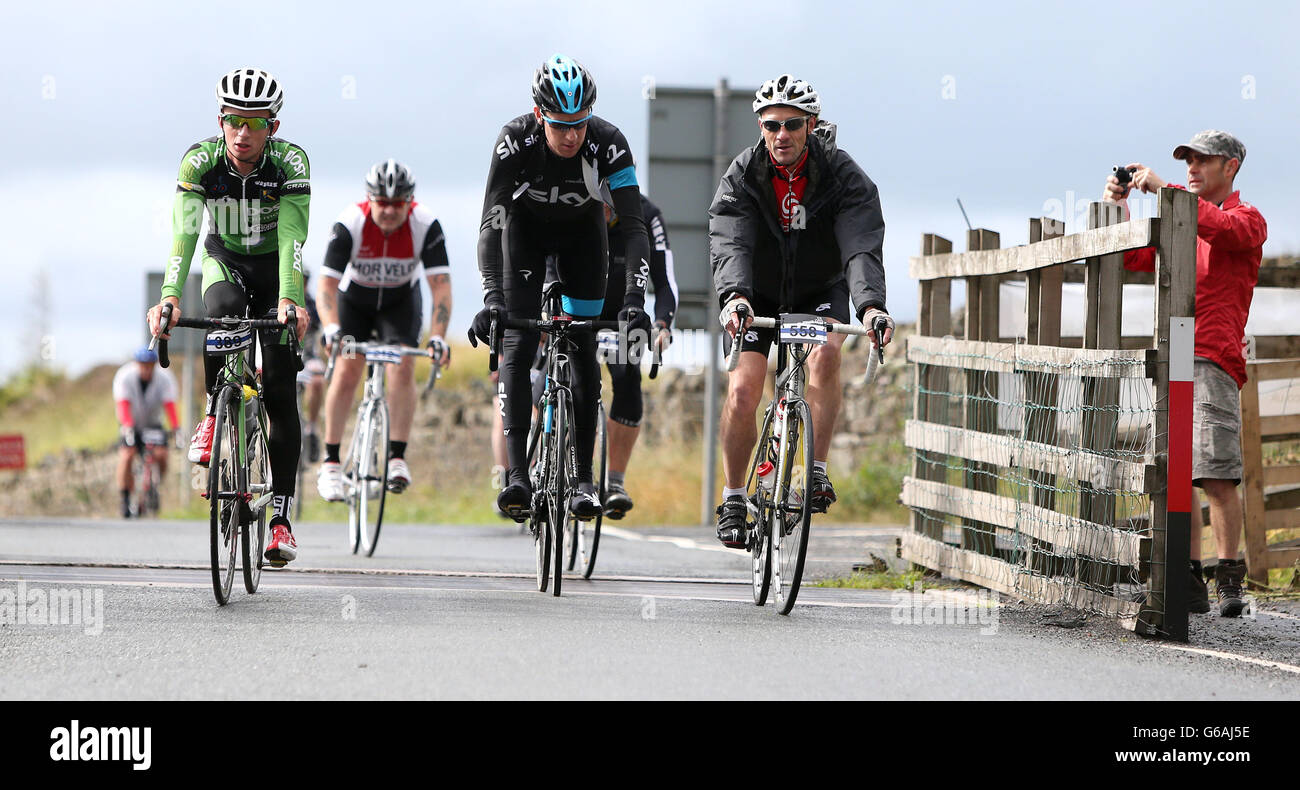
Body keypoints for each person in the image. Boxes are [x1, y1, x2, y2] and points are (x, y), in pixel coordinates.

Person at [709, 74, 893, 548]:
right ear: (761, 126)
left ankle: (815, 470)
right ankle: (732, 497)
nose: (781, 135)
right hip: (758, 294)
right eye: (771, 125)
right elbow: (731, 240)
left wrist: (871, 306)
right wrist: (735, 297)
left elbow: (859, 247)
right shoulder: (744, 174)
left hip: (818, 288)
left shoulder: (842, 174)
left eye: (792, 124)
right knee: (744, 390)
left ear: (811, 125)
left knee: (828, 353)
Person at [469, 54, 652, 523]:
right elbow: (492, 222)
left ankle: (583, 478)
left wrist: (633, 301)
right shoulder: (514, 141)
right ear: (539, 116)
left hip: (583, 239)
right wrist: (492, 297)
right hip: (524, 239)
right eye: (560, 125)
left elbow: (633, 228)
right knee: (517, 338)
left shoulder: (609, 144)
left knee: (582, 342)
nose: (571, 135)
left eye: (580, 124)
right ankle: (516, 476)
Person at [147, 67, 311, 566]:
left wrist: (288, 298)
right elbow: (185, 235)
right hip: (226, 262)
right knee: (219, 315)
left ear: (273, 128)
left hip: (273, 269)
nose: (243, 134)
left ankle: (280, 519)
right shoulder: (199, 162)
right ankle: (214, 412)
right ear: (221, 121)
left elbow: (291, 240)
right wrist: (170, 296)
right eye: (234, 121)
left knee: (281, 390)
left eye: (255, 123)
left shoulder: (290, 162)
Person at [1105, 130, 1268, 617]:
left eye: (1202, 161)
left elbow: (1224, 229)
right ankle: (1189, 579)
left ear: (1230, 167)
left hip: (1213, 356)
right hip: (1171, 357)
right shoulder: (1182, 220)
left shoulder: (1246, 218)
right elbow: (1132, 257)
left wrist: (1163, 191)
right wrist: (1117, 206)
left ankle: (1231, 582)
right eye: (1187, 162)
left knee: (1216, 475)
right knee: (1174, 474)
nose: (1192, 170)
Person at [315, 159, 452, 501]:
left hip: (399, 303)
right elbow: (326, 286)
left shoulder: (426, 224)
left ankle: (396, 457)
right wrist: (332, 329)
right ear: (369, 199)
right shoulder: (350, 223)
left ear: (410, 202)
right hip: (355, 302)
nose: (389, 211)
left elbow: (441, 287)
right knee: (347, 369)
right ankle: (330, 463)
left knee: (403, 366)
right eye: (383, 203)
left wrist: (438, 336)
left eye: (397, 204)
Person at [545, 195, 678, 518]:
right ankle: (546, 455)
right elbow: (546, 263)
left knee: (628, 378)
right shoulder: (569, 201)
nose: (603, 212)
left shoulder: (647, 214)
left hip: (620, 316)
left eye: (609, 206)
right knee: (551, 377)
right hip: (571, 309)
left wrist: (662, 324)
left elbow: (665, 282)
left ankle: (614, 482)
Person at [113, 348, 179, 518]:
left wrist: (176, 429)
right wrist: (128, 427)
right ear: (137, 364)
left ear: (155, 365)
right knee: (127, 455)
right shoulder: (125, 376)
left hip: (154, 424)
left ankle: (155, 485)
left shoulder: (165, 378)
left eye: (150, 366)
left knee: (162, 455)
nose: (146, 370)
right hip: (131, 424)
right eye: (143, 366)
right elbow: (123, 404)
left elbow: (170, 406)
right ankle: (125, 497)